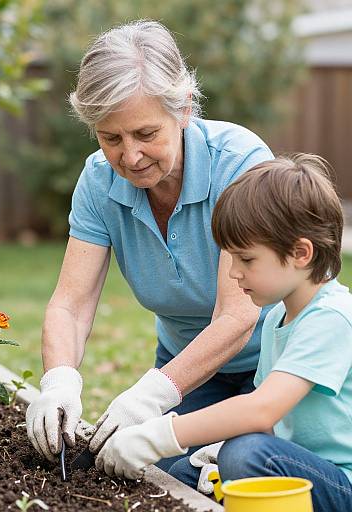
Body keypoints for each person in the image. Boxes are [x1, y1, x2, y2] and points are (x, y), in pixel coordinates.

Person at [26, 19, 274, 470]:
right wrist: (59, 381)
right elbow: (70, 305)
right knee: (115, 463)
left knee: (228, 470)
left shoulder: (240, 164)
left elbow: (238, 315)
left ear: (182, 110)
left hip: (281, 366)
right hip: (191, 370)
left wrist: (149, 397)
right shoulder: (99, 181)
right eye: (110, 138)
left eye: (145, 134)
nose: (130, 156)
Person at [96, 154, 352, 512]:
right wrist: (213, 453)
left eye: (246, 259)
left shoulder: (331, 317)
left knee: (245, 454)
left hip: (341, 484)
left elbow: (261, 410)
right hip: (294, 466)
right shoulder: (279, 315)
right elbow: (273, 425)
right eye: (229, 257)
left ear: (300, 253)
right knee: (185, 472)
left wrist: (160, 435)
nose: (233, 273)